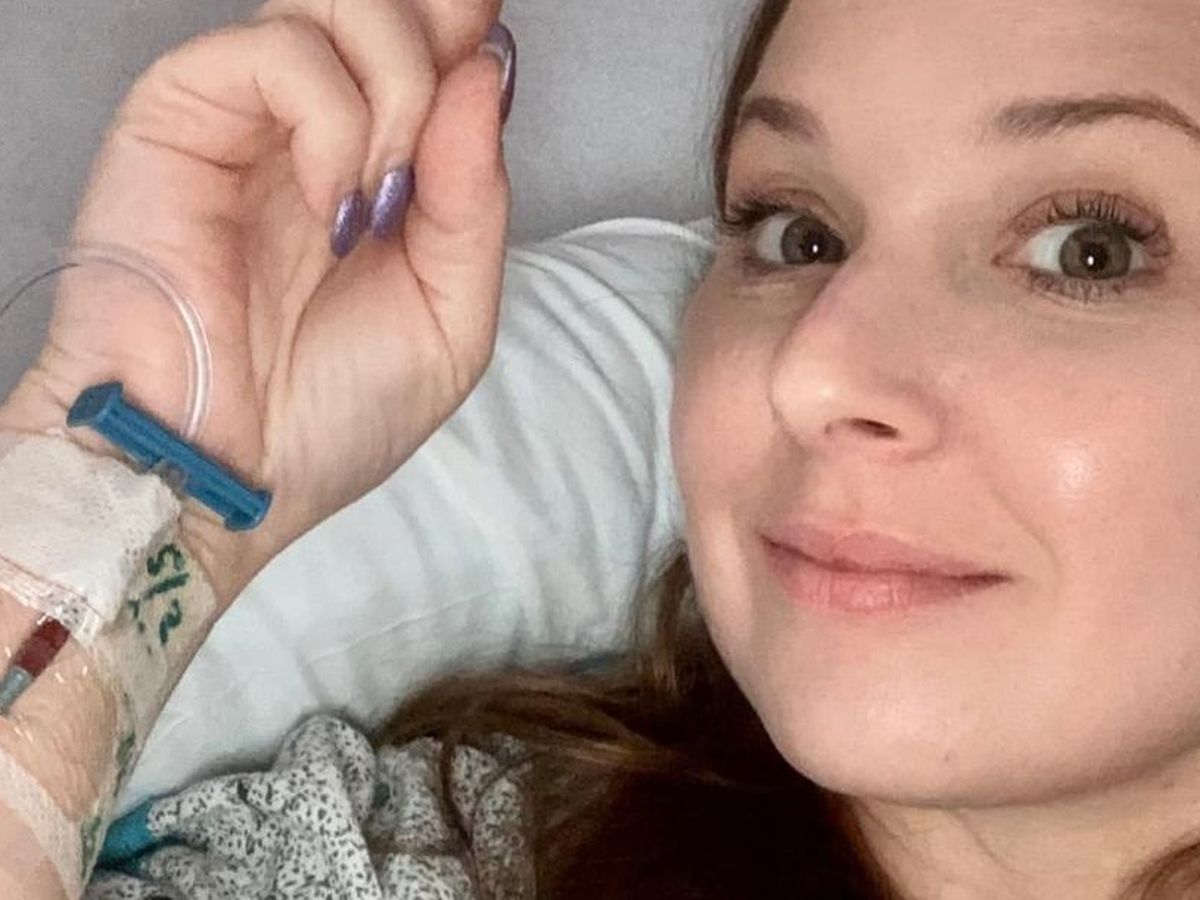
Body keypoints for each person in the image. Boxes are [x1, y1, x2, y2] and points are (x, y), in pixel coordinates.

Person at [3, 0, 1200, 895]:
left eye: (1089, 251)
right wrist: (137, 489)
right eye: (797, 234)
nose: (811, 371)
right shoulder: (419, 859)